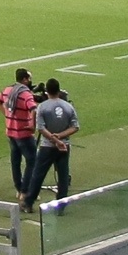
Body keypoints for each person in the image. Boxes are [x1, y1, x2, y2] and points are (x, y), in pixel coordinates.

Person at [22, 79, 80, 210]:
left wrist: (54, 139)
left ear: (47, 91)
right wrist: (60, 137)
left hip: (47, 146)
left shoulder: (42, 107)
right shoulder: (68, 106)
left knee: (38, 174)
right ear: (59, 91)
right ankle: (61, 205)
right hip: (64, 146)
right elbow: (75, 127)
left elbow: (40, 128)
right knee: (63, 175)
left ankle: (28, 203)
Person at [0, 67, 39, 199]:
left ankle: (19, 188)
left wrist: (8, 115)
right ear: (25, 79)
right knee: (32, 161)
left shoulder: (8, 90)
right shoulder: (25, 94)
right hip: (23, 133)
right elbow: (33, 108)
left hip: (10, 131)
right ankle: (25, 191)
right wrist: (32, 125)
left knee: (15, 161)